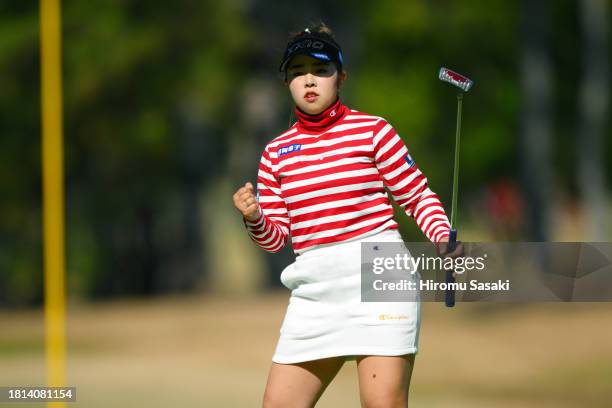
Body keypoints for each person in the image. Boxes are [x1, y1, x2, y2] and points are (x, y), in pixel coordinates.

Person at [233, 22, 462, 408]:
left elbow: (417, 195)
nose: (309, 80)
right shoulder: (275, 152)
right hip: (314, 295)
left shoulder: (373, 131)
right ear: (286, 82)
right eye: (298, 72)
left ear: (340, 77)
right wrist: (254, 216)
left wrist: (441, 236)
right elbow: (275, 240)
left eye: (320, 71)